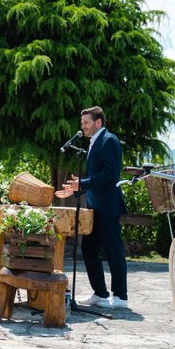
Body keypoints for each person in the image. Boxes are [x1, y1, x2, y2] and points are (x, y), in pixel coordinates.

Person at [55, 106, 128, 308]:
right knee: (88, 249)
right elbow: (95, 178)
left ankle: (120, 296)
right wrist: (76, 189)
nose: (83, 127)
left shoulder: (109, 140)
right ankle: (100, 293)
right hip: (94, 207)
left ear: (98, 122)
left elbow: (110, 174)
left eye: (86, 123)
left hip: (108, 206)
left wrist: (84, 184)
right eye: (82, 123)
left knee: (114, 250)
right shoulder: (94, 143)